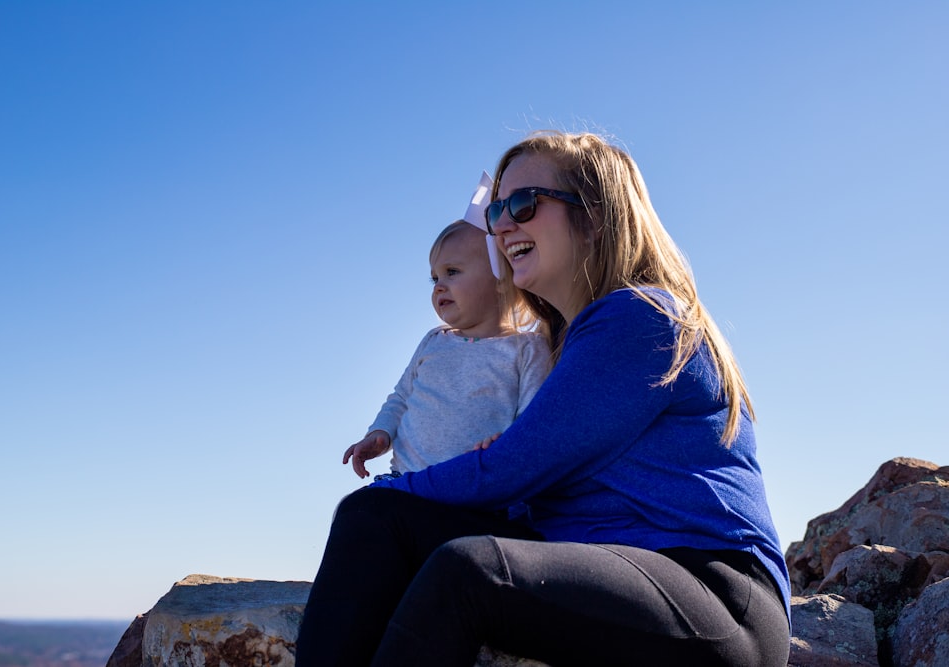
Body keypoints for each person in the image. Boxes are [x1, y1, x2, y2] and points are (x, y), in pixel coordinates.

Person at [296, 131, 792, 667]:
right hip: (594, 557)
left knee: (469, 571)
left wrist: (408, 481)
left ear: (597, 216)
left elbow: (514, 470)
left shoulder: (641, 316)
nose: (503, 224)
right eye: (497, 211)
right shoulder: (559, 344)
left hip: (711, 589)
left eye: (524, 204)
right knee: (373, 516)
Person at [343, 215, 552, 480]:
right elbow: (401, 398)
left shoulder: (526, 349)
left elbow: (533, 418)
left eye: (452, 272)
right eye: (434, 278)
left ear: (501, 280)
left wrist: (506, 445)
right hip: (406, 481)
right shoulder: (434, 341)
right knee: (356, 513)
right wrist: (379, 434)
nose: (439, 286)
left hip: (475, 486)